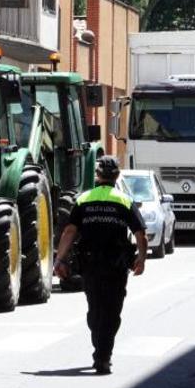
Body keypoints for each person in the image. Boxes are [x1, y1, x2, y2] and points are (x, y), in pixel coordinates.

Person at [53, 156, 148, 375]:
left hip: (91, 264)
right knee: (112, 310)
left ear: (97, 176)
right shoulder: (124, 200)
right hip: (116, 265)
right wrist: (141, 259)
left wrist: (60, 259)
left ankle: (100, 350)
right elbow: (140, 234)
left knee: (95, 309)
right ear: (116, 176)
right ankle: (104, 355)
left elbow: (69, 231)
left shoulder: (84, 199)